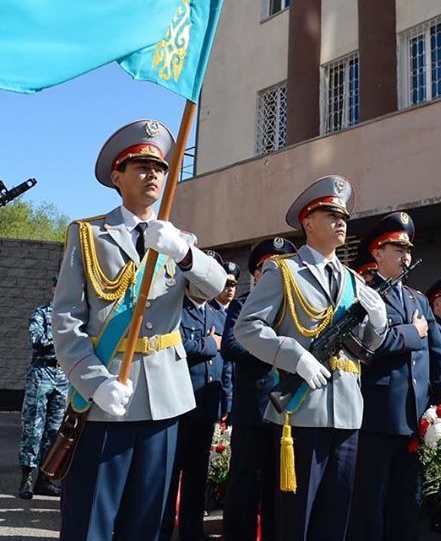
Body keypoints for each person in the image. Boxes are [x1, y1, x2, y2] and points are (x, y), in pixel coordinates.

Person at [52, 120, 226, 541]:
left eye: (160, 168)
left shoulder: (178, 239)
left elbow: (215, 287)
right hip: (108, 391)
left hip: (165, 396)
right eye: (141, 166)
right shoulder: (88, 234)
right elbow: (67, 320)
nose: (153, 175)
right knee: (93, 518)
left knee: (148, 521)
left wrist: (185, 253)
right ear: (117, 176)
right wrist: (94, 382)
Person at [235, 175, 388, 541]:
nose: (341, 222)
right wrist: (295, 357)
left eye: (344, 217)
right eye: (331, 215)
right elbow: (247, 327)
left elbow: (366, 347)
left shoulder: (353, 280)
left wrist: (379, 323)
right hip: (302, 409)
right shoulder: (284, 270)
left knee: (336, 518)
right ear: (308, 222)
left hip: (347, 409)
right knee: (297, 520)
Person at [348, 212, 441, 541]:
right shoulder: (364, 295)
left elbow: (438, 359)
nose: (405, 256)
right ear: (377, 253)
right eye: (397, 249)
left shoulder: (418, 299)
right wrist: (412, 332)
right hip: (378, 417)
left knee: (407, 505)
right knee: (370, 504)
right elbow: (365, 346)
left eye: (408, 250)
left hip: (415, 418)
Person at [221, 237, 295, 541]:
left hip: (288, 410)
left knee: (279, 488)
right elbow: (230, 346)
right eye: (269, 268)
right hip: (253, 409)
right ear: (256, 274)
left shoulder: (294, 307)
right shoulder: (243, 304)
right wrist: (274, 350)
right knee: (244, 484)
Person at [161, 256, 231, 541]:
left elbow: (226, 362)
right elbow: (174, 345)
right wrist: (209, 344)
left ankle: (191, 530)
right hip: (179, 405)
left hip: (207, 404)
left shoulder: (217, 315)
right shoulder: (175, 309)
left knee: (197, 473)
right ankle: (162, 529)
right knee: (169, 473)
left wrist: (226, 399)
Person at [18, 277, 69, 499]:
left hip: (63, 375)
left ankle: (45, 479)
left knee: (55, 429)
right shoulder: (42, 313)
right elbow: (37, 340)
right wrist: (64, 340)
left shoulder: (73, 315)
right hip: (42, 372)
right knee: (34, 427)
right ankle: (27, 478)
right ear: (53, 288)